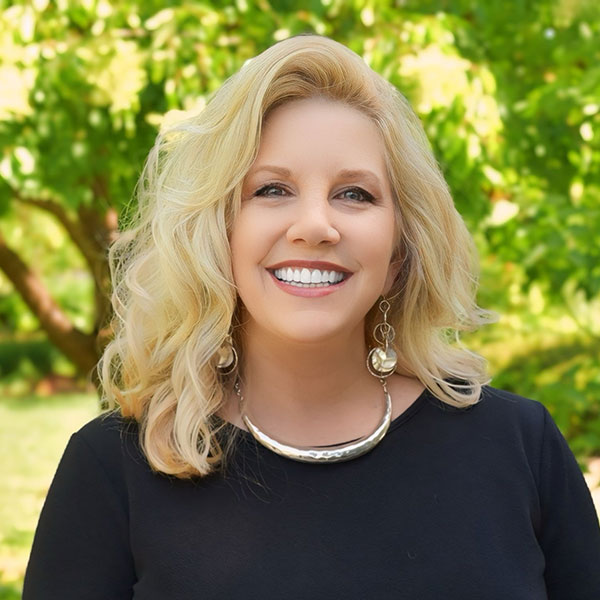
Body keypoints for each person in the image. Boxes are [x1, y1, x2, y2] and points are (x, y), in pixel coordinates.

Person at [23, 34, 600, 600]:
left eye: (355, 194)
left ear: (400, 251)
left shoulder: (520, 447)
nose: (316, 225)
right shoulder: (112, 469)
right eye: (272, 189)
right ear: (216, 234)